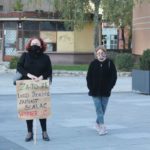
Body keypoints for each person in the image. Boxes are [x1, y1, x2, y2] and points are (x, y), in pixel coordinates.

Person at [17, 37, 52, 142]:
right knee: (29, 110)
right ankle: (29, 132)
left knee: (42, 110)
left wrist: (41, 77)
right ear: (29, 44)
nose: (35, 44)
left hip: (40, 86)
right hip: (27, 85)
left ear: (41, 45)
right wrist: (28, 75)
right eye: (33, 43)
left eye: (37, 43)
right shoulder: (25, 55)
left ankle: (44, 131)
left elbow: (49, 70)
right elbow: (19, 67)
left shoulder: (45, 57)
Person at [86, 45, 117, 135]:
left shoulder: (110, 63)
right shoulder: (93, 64)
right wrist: (90, 87)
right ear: (96, 54)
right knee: (99, 109)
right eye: (98, 53)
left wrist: (110, 87)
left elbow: (114, 77)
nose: (100, 55)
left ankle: (97, 123)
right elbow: (88, 77)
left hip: (106, 91)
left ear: (105, 53)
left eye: (102, 53)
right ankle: (102, 127)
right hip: (95, 91)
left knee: (103, 109)